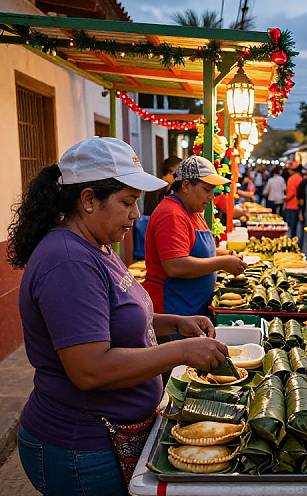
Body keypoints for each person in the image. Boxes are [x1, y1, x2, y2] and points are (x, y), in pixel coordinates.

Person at [7, 137, 229, 495]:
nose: (135, 215)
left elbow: (113, 315)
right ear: (89, 200)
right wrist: (182, 352)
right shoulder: (68, 261)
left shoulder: (98, 245)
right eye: (127, 202)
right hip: (81, 447)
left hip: (110, 433)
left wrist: (173, 322)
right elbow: (91, 368)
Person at [143, 156, 246, 315]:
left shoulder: (193, 211)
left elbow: (192, 249)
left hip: (191, 308)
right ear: (186, 185)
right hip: (173, 309)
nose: (211, 197)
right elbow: (175, 265)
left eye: (213, 191)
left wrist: (223, 254)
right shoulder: (171, 214)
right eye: (206, 190)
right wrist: (222, 263)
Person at [133, 156, 182, 260]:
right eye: (178, 174)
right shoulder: (157, 188)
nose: (180, 178)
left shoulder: (167, 188)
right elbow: (152, 213)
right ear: (169, 172)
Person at [284, 160, 302, 237]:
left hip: (291, 205)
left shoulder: (291, 179)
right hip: (298, 205)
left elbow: (291, 193)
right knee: (296, 226)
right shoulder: (301, 178)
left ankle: (291, 241)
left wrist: (285, 199)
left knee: (291, 226)